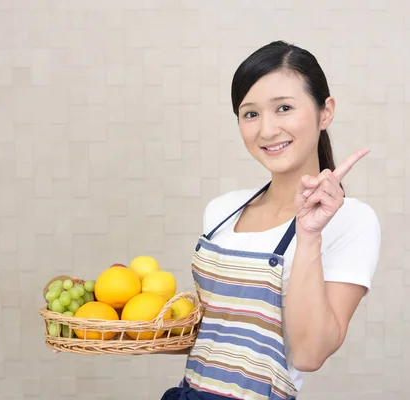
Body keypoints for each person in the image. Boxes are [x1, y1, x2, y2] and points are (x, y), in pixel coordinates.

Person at [161, 40, 381, 400]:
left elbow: (310, 355)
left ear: (325, 112)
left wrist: (308, 233)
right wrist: (123, 326)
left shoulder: (351, 221)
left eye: (284, 108)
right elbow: (217, 334)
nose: (266, 130)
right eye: (251, 114)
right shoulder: (221, 210)